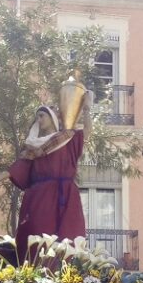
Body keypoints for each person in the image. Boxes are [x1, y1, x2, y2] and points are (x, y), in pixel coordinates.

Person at [8, 100, 89, 260]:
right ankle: (36, 275)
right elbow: (21, 166)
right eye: (37, 117)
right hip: (40, 200)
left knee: (69, 237)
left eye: (41, 115)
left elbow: (87, 131)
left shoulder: (67, 139)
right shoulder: (33, 149)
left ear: (52, 118)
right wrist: (1, 176)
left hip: (66, 197)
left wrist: (86, 109)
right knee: (37, 235)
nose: (39, 120)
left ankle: (68, 277)